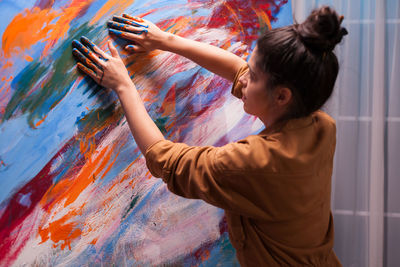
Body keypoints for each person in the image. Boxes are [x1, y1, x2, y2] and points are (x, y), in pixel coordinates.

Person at [72, 6, 347, 267]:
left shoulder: (255, 163)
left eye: (252, 76)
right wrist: (165, 39)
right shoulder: (320, 126)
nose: (243, 80)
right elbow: (237, 70)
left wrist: (123, 86)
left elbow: (167, 161)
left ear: (282, 96)